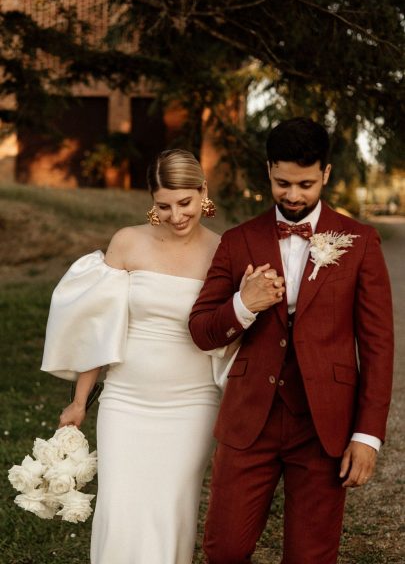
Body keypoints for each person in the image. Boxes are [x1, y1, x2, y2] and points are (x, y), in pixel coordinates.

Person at [189, 117, 394, 564]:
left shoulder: (360, 242)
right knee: (225, 549)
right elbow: (202, 330)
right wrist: (244, 304)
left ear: (326, 173)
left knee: (311, 556)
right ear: (268, 172)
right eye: (283, 183)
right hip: (249, 421)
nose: (294, 195)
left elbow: (378, 346)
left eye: (305, 183)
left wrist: (367, 435)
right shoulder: (237, 241)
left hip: (325, 426)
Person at [41, 149, 238, 564]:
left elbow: (228, 329)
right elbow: (100, 326)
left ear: (203, 191)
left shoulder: (224, 250)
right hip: (126, 400)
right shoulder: (127, 242)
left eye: (185, 203)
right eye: (163, 206)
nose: (176, 215)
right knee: (120, 509)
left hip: (192, 403)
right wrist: (79, 402)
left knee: (170, 509)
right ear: (152, 200)